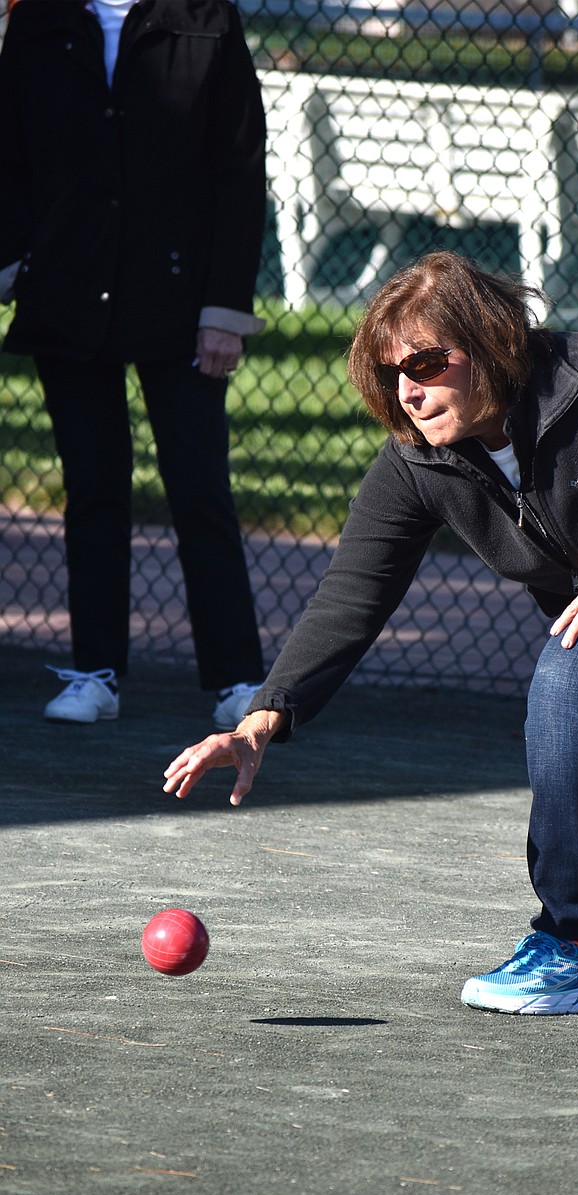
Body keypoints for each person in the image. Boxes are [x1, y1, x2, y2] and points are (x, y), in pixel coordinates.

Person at [163, 251, 578, 1015]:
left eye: (426, 363)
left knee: (571, 682)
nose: (408, 390)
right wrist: (264, 716)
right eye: (391, 373)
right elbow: (353, 593)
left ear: (489, 343)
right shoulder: (418, 459)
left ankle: (575, 946)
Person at [0, 0, 268, 729]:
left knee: (199, 489)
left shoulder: (207, 16)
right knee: (92, 488)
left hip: (179, 301)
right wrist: (16, 260)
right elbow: (9, 156)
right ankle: (95, 673)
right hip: (68, 294)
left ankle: (238, 680)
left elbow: (240, 167)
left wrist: (223, 310)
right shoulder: (38, 19)